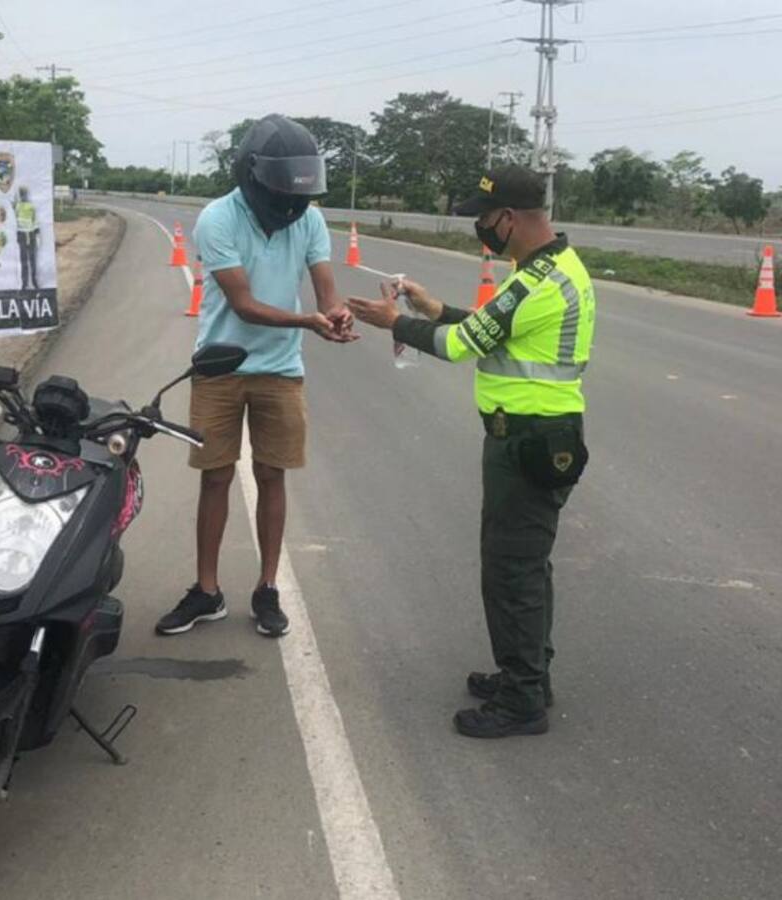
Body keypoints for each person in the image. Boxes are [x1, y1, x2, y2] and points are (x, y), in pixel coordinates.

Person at [348, 165, 595, 738]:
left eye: (484, 219)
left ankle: (522, 699)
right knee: (525, 568)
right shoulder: (548, 268)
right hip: (537, 436)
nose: (480, 229)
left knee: (512, 571)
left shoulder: (537, 282)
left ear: (509, 217)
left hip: (531, 441)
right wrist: (430, 308)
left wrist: (398, 323)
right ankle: (529, 675)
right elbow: (488, 329)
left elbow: (463, 346)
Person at [155, 114, 356, 640]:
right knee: (216, 475)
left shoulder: (309, 221)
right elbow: (243, 305)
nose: (290, 205)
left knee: (273, 475)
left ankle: (267, 588)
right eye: (281, 193)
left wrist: (334, 314)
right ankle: (207, 591)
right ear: (252, 175)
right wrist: (308, 322)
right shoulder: (218, 219)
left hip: (281, 371)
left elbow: (325, 290)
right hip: (221, 365)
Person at [14, 186, 39, 290]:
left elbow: (35, 220)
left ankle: (34, 281)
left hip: (31, 234)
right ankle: (24, 283)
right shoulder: (18, 206)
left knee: (32, 260)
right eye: (21, 194)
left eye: (24, 194)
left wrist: (37, 232)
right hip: (22, 235)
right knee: (24, 260)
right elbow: (15, 220)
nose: (23, 196)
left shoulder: (31, 206)